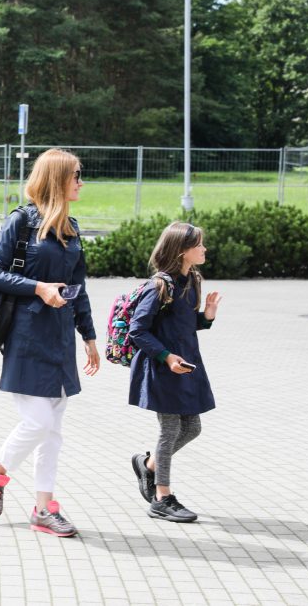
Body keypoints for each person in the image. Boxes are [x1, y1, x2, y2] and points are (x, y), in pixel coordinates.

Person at [0, 148, 100, 537]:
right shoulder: (22, 221)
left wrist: (90, 336)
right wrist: (38, 288)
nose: (81, 182)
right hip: (27, 337)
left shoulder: (72, 228)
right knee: (38, 421)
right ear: (58, 178)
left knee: (53, 431)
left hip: (61, 337)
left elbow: (79, 290)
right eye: (76, 175)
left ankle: (45, 509)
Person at [129, 222, 221, 522]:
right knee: (169, 430)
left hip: (187, 365)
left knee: (192, 428)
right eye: (199, 245)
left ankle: (148, 464)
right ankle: (162, 497)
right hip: (162, 368)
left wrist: (205, 318)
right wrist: (166, 357)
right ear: (182, 250)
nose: (204, 249)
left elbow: (181, 324)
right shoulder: (159, 285)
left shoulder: (191, 280)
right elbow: (138, 330)